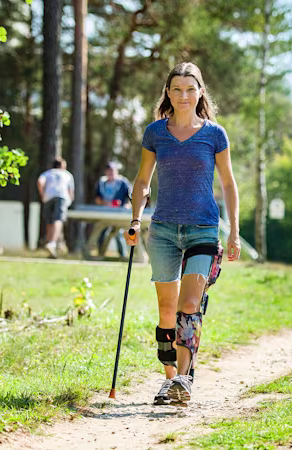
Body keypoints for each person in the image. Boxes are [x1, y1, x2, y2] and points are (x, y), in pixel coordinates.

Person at [125, 62, 241, 405]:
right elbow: (143, 181)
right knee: (166, 310)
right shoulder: (155, 133)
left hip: (203, 227)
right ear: (168, 93)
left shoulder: (215, 134)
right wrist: (135, 219)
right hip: (162, 230)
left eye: (190, 89)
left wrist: (234, 231)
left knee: (189, 304)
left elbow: (229, 183)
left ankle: (186, 380)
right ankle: (171, 379)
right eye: (176, 89)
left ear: (200, 92)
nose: (183, 95)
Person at [37, 157, 75, 258]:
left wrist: (42, 195)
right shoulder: (67, 174)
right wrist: (70, 201)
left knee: (49, 221)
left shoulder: (48, 173)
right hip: (61, 197)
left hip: (48, 197)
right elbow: (71, 191)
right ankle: (52, 243)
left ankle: (50, 245)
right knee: (58, 219)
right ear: (63, 166)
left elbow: (40, 182)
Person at [95, 161, 132, 257]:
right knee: (102, 232)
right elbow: (97, 198)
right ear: (106, 171)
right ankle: (100, 253)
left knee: (118, 233)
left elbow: (131, 197)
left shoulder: (123, 182)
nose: (111, 173)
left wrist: (127, 206)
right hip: (104, 213)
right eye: (109, 170)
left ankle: (123, 255)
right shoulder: (102, 182)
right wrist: (106, 203)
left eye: (113, 170)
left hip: (119, 213)